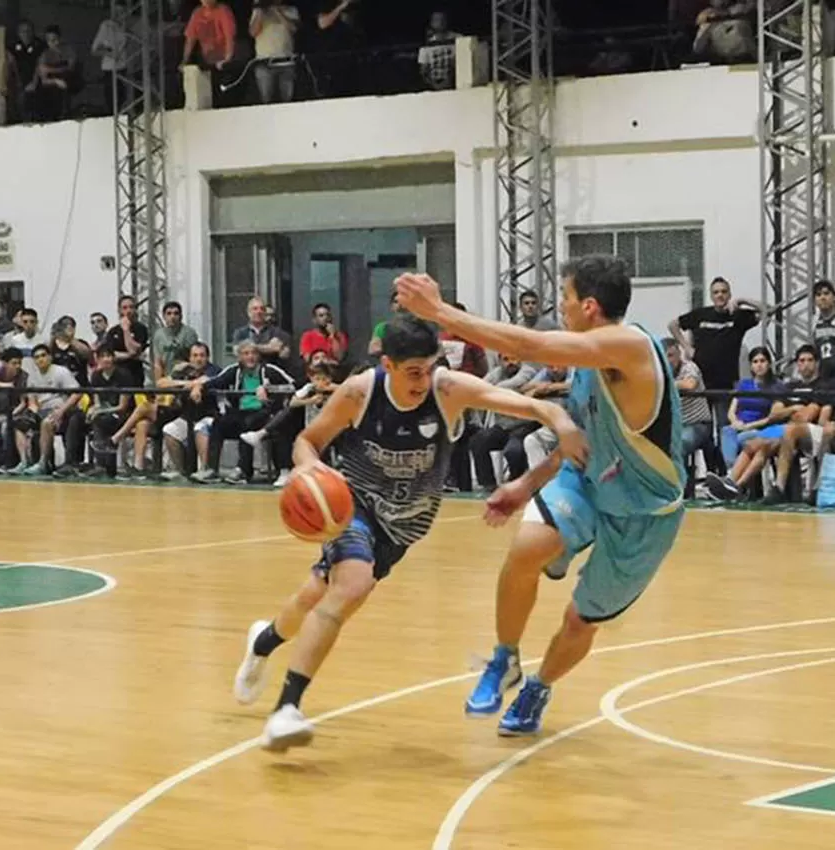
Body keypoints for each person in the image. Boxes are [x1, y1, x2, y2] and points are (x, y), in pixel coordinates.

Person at [231, 314, 587, 752]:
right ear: (388, 366)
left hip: (404, 527)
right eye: (412, 372)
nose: (423, 380)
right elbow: (308, 440)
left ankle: (263, 641)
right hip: (355, 508)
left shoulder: (448, 390)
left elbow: (536, 406)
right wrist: (310, 468)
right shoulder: (360, 392)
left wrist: (563, 424)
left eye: (429, 368)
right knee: (352, 585)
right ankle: (286, 710)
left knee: (313, 594)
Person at [397, 255, 688, 737]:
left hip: (645, 513)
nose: (560, 307)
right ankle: (504, 659)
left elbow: (528, 342)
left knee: (579, 619)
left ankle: (539, 685)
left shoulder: (630, 346)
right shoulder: (587, 366)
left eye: (566, 299)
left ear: (589, 307)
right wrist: (524, 485)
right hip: (591, 484)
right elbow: (582, 441)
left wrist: (441, 312)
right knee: (526, 549)